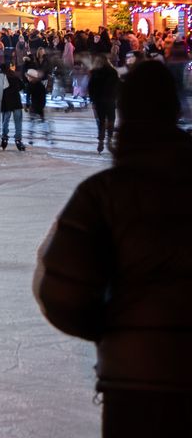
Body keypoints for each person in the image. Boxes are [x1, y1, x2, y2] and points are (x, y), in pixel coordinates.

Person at [34, 60, 192, 436]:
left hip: (135, 381)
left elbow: (60, 288)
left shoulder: (102, 194)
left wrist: (113, 329)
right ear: (176, 109)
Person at [89, 56, 121, 154]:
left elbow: (91, 87)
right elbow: (118, 86)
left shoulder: (95, 72)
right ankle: (109, 139)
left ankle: (101, 140)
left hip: (99, 101)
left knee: (101, 121)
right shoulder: (113, 72)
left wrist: (92, 99)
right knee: (111, 119)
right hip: (110, 100)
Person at [0, 62, 26, 151]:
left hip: (6, 102)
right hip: (16, 102)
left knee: (5, 121)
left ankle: (4, 138)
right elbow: (22, 86)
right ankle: (18, 140)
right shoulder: (14, 76)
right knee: (18, 122)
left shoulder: (1, 78)